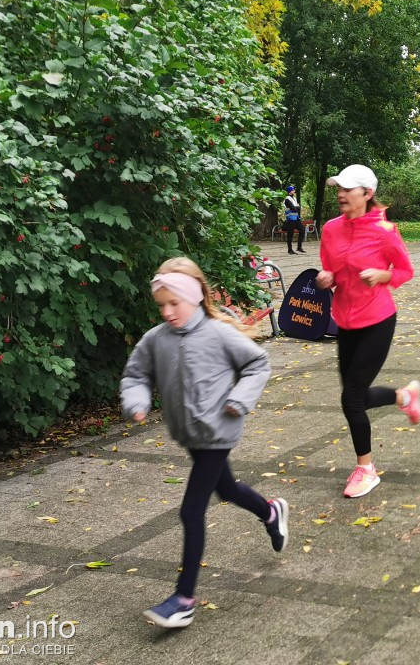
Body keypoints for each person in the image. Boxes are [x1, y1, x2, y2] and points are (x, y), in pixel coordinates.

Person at [120, 257, 289, 628]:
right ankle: (271, 511)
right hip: (189, 434)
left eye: (173, 303)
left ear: (194, 297)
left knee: (191, 510)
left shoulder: (218, 334)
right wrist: (137, 401)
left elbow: (257, 365)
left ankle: (183, 599)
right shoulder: (156, 340)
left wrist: (240, 400)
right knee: (226, 489)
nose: (167, 312)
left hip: (218, 430)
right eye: (161, 305)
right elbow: (135, 374)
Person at [317, 164, 420, 498]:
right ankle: (404, 397)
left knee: (350, 397)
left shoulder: (384, 230)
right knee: (357, 396)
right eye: (339, 188)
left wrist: (383, 275)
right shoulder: (331, 229)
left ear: (367, 193)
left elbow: (405, 270)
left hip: (377, 320)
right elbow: (329, 268)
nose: (340, 194)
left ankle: (366, 469)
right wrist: (326, 278)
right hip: (345, 321)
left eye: (348, 189)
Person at [283, 185, 305, 254]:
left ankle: (299, 247)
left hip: (296, 218)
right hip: (290, 219)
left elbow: (297, 208)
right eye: (293, 190)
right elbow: (294, 209)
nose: (294, 191)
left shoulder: (294, 198)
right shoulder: (287, 199)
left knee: (302, 230)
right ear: (290, 191)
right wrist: (297, 207)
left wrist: (297, 207)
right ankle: (290, 250)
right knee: (290, 234)